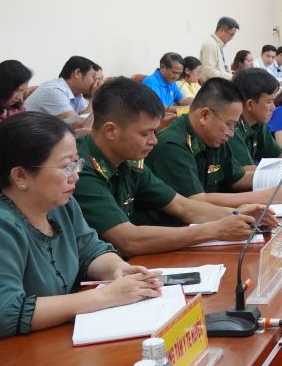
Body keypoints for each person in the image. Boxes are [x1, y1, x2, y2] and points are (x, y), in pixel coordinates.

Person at [0, 112, 162, 356]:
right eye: (65, 166)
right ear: (21, 176)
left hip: (51, 341)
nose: (75, 176)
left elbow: (91, 250)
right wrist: (105, 297)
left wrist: (117, 269)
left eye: (76, 164)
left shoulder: (61, 205)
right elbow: (2, 314)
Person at [75, 78, 268, 254]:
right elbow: (128, 239)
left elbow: (182, 206)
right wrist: (213, 230)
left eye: (154, 132)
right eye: (145, 134)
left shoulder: (128, 161)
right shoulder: (79, 170)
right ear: (111, 131)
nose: (154, 141)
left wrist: (237, 215)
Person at [145, 78, 282, 208]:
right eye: (230, 124)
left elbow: (237, 178)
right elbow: (195, 201)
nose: (231, 133)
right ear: (205, 115)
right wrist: (264, 196)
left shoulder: (214, 138)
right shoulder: (172, 144)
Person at [24, 56, 102, 134]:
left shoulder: (76, 94)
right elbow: (82, 127)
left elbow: (86, 118)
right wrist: (95, 96)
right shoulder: (54, 91)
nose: (97, 83)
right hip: (30, 137)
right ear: (77, 73)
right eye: (93, 77)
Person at [230, 69, 282, 168]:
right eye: (269, 102)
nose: (273, 108)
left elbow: (278, 154)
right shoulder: (231, 128)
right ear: (250, 104)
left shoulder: (258, 122)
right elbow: (245, 171)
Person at [200, 16, 238, 81]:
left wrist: (233, 74)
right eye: (231, 35)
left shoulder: (217, 44)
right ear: (222, 30)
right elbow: (209, 71)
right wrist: (232, 77)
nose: (231, 38)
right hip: (211, 86)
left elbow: (221, 69)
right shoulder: (210, 44)